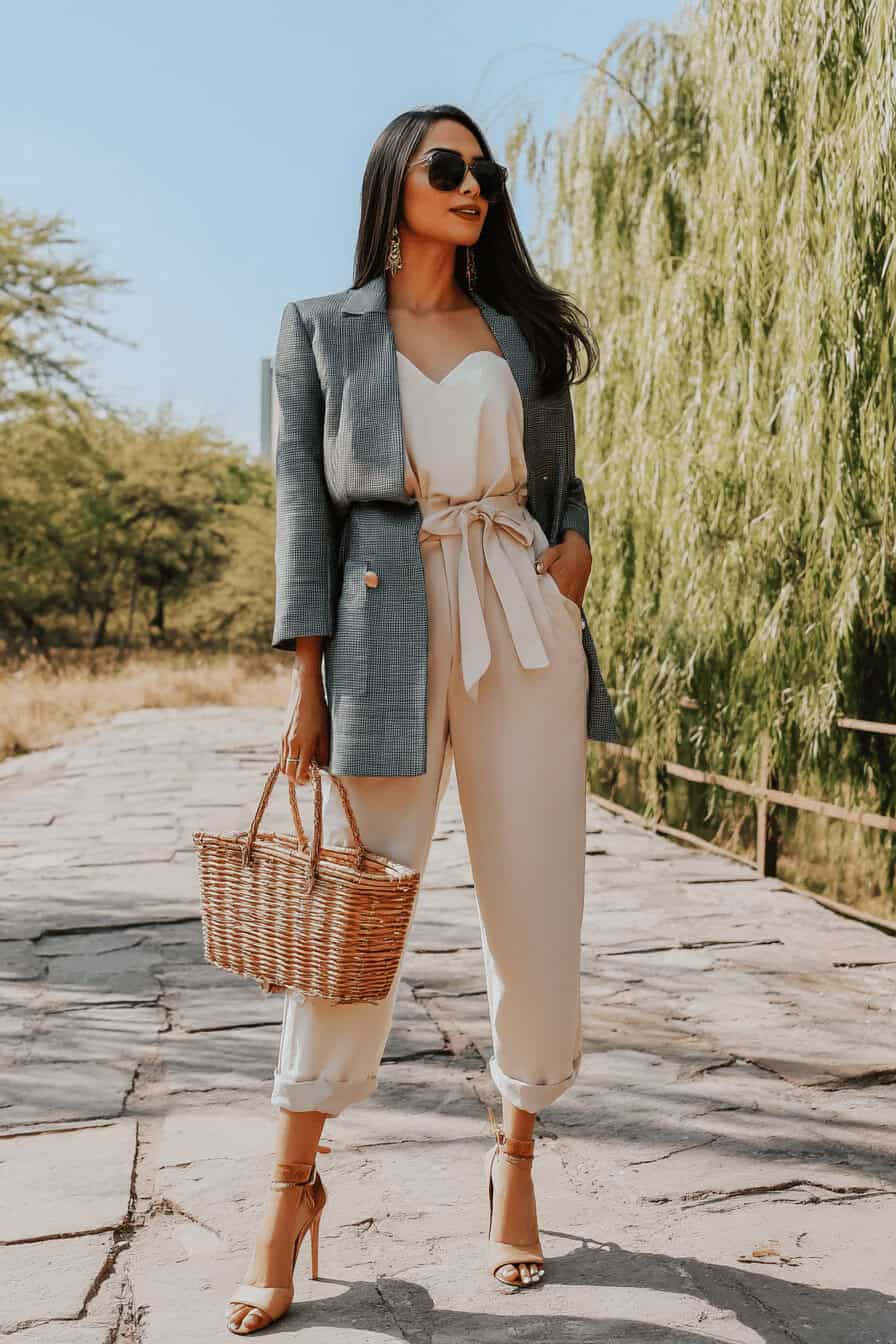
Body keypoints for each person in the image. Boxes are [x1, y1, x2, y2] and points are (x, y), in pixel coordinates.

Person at [226, 102, 619, 1335]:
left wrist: (574, 556)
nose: (472, 185)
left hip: (519, 614)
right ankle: (290, 1190)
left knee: (534, 900)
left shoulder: (520, 329)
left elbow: (565, 480)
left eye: (484, 171)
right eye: (447, 166)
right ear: (395, 180)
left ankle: (514, 1158)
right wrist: (305, 683)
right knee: (355, 905)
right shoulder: (318, 329)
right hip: (384, 619)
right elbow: (305, 506)